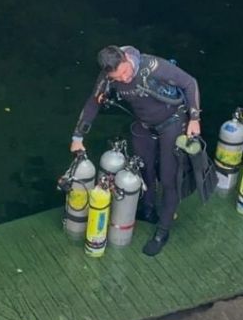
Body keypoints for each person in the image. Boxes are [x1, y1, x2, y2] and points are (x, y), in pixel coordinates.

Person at [70, 45, 201, 256]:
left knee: (168, 177)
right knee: (143, 168)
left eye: (125, 71)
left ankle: (162, 231)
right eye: (118, 77)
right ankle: (147, 209)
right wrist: (77, 137)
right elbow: (94, 102)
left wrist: (194, 118)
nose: (124, 78)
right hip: (144, 123)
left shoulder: (153, 66)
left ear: (126, 58)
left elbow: (189, 82)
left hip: (172, 122)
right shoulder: (108, 77)